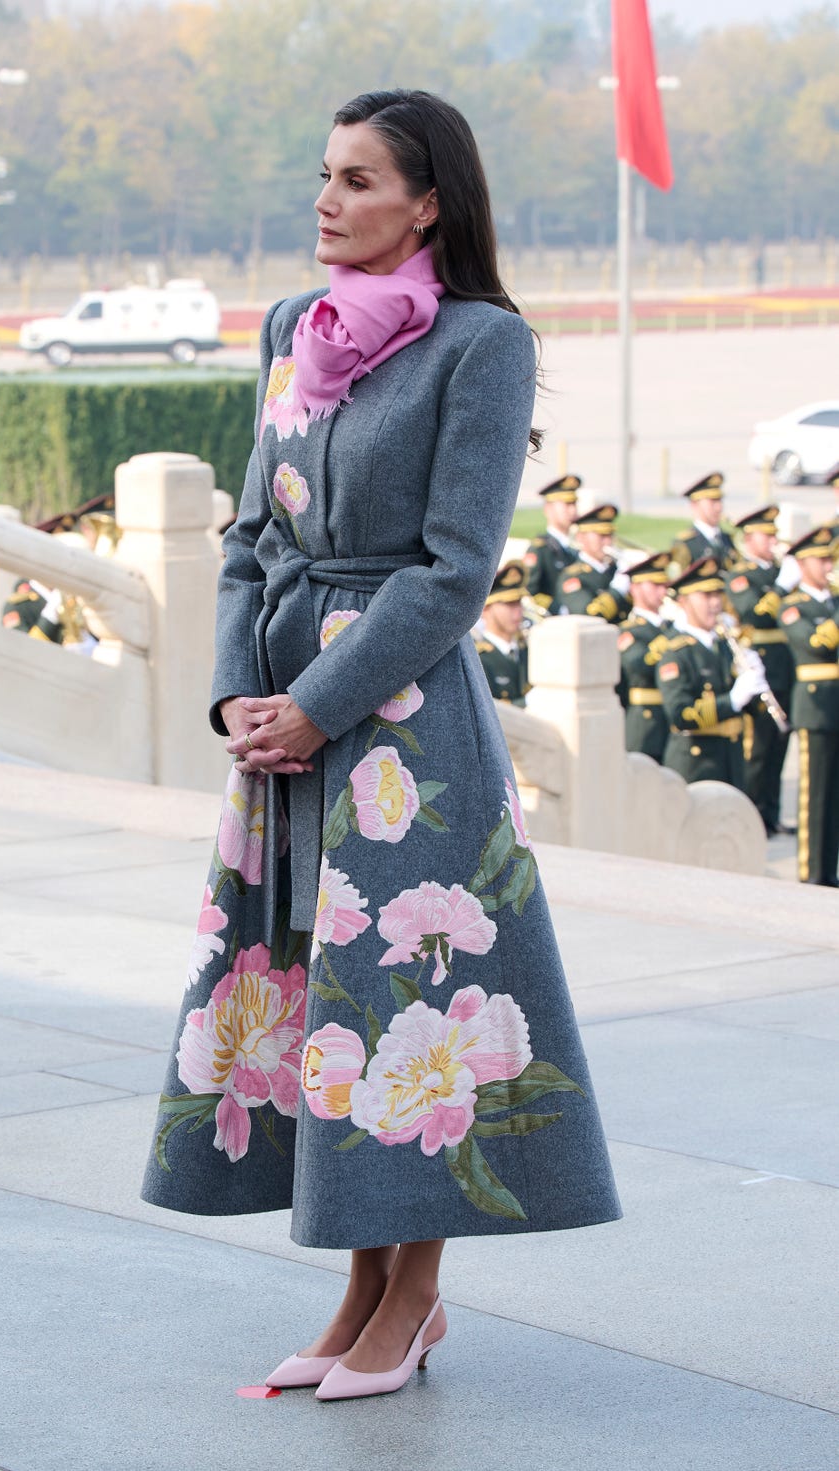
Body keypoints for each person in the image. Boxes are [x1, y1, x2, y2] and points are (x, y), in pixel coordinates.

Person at [140, 88, 619, 1402]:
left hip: (404, 724)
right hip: (287, 717)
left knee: (408, 996)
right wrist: (243, 691)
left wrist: (324, 699)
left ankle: (412, 1295)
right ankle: (360, 1278)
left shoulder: (483, 343)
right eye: (323, 174)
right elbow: (251, 536)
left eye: (358, 179)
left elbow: (453, 571)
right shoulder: (294, 326)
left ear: (429, 204)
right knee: (314, 990)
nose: (328, 199)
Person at [657, 556, 767, 788]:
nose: (715, 603)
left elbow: (746, 709)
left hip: (731, 759)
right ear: (684, 601)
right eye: (706, 596)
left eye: (718, 595)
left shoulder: (724, 644)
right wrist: (733, 700)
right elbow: (681, 714)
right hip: (697, 763)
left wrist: (754, 686)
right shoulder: (675, 651)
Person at [724, 506, 797, 836]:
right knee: (759, 748)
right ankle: (753, 817)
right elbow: (754, 613)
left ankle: (771, 813)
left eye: (773, 534)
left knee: (780, 748)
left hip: (786, 665)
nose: (773, 541)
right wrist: (782, 587)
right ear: (749, 538)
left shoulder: (780, 570)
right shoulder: (743, 575)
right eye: (766, 536)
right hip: (762, 667)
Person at [779, 526, 839, 886]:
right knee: (814, 797)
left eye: (830, 558)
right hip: (815, 709)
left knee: (834, 798)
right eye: (821, 558)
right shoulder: (792, 606)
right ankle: (811, 871)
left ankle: (829, 871)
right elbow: (816, 642)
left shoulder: (834, 602)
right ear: (802, 563)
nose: (828, 564)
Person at [615, 551, 673, 762]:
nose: (662, 590)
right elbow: (639, 665)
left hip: (671, 722)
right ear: (635, 588)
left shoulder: (671, 627)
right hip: (646, 724)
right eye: (654, 584)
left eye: (663, 584)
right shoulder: (628, 631)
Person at [555, 503, 631, 622]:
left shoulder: (615, 569)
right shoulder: (571, 577)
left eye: (609, 535)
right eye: (601, 536)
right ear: (581, 537)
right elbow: (588, 615)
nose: (607, 541)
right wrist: (618, 589)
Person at [474, 561, 529, 705]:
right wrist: (528, 702)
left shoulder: (527, 650)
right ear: (485, 608)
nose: (518, 611)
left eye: (518, 603)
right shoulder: (479, 659)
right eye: (509, 604)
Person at [523, 474, 580, 610]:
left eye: (574, 504)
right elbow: (529, 592)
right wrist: (557, 607)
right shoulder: (540, 549)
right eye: (566, 504)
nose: (572, 510)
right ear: (548, 509)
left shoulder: (577, 547)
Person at [670, 472, 736, 572]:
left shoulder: (727, 539)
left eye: (719, 500)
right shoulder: (686, 544)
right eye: (712, 502)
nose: (719, 507)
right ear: (695, 504)